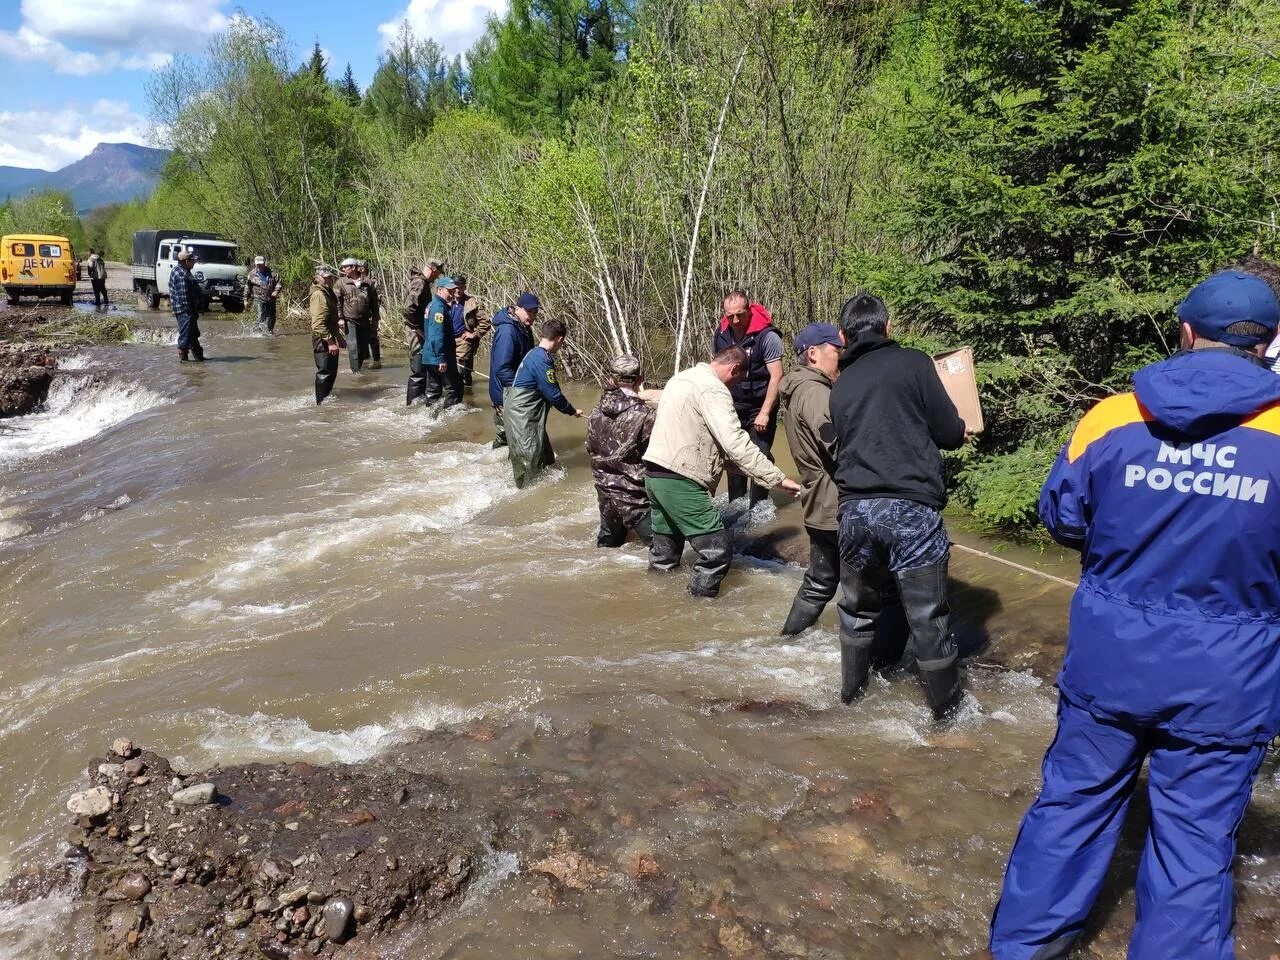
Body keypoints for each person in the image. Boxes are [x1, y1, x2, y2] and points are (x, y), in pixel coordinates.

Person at [989, 271, 1280, 960]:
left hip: (1111, 662)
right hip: (1227, 681)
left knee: (1072, 808)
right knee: (1196, 842)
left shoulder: (1113, 416)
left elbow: (1062, 516)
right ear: (1268, 346)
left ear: (1184, 333)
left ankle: (1026, 948)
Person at [828, 292, 966, 717]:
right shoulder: (914, 362)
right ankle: (947, 717)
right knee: (928, 617)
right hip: (910, 510)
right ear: (887, 328)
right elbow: (949, 432)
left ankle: (852, 698)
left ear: (842, 336)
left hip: (854, 512)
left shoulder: (841, 384)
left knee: (856, 610)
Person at [643, 346, 803, 598]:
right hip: (681, 481)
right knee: (717, 550)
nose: (733, 387)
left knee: (665, 555)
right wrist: (776, 477)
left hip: (654, 476)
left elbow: (700, 440)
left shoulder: (680, 379)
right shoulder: (713, 388)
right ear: (734, 369)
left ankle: (655, 603)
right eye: (737, 380)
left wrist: (748, 470)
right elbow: (735, 441)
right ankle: (697, 611)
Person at [777, 323, 849, 633]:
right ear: (814, 354)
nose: (840, 358)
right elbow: (836, 444)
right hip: (834, 504)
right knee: (862, 588)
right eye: (836, 351)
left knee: (820, 580)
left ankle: (787, 642)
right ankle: (871, 665)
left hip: (818, 502)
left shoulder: (798, 389)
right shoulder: (816, 392)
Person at [713, 290, 784, 512]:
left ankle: (759, 507)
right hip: (733, 404)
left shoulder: (767, 336)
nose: (735, 320)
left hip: (760, 404)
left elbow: (777, 376)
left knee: (759, 454)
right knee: (734, 455)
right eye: (730, 315)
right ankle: (736, 505)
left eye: (740, 315)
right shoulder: (722, 332)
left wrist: (765, 412)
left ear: (749, 310)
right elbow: (717, 369)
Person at [587, 354, 657, 547]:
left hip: (606, 496)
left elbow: (590, 450)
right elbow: (656, 460)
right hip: (635, 500)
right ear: (640, 379)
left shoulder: (594, 413)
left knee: (606, 552)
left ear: (611, 379)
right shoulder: (646, 416)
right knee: (665, 553)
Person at [503, 318, 582, 487]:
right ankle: (527, 502)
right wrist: (572, 411)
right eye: (562, 342)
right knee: (529, 465)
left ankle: (549, 491)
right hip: (522, 417)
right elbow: (553, 394)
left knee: (546, 458)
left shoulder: (534, 353)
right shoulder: (542, 360)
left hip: (523, 414)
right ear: (560, 339)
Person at [488, 293, 539, 448]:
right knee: (509, 438)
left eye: (535, 313)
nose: (532, 316)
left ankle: (499, 463)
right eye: (529, 312)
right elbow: (502, 368)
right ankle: (492, 467)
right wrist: (521, 390)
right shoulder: (508, 331)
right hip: (506, 394)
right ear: (517, 309)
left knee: (512, 437)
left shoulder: (523, 327)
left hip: (514, 392)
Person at [403, 257, 444, 404]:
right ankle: (412, 406)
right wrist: (416, 328)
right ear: (433, 269)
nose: (437, 276)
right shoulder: (420, 283)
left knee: (422, 368)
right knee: (418, 370)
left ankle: (418, 400)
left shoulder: (423, 283)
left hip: (419, 330)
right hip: (415, 332)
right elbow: (408, 309)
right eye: (438, 273)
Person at [422, 276, 464, 410]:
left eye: (453, 291)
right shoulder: (438, 308)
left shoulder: (433, 305)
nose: (452, 294)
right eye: (449, 291)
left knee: (433, 390)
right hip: (440, 356)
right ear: (440, 290)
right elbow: (436, 335)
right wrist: (441, 358)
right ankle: (451, 420)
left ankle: (430, 417)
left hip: (430, 355)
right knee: (455, 388)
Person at [336, 257, 381, 374]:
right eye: (343, 267)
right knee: (353, 347)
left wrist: (376, 319)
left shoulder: (367, 282)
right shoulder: (341, 282)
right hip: (349, 319)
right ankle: (355, 372)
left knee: (362, 347)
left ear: (353, 267)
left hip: (365, 320)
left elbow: (374, 302)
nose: (343, 269)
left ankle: (359, 368)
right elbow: (337, 302)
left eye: (346, 267)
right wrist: (340, 318)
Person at [309, 265, 344, 404]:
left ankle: (326, 400)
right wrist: (330, 342)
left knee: (331, 371)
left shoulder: (328, 291)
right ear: (317, 278)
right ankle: (321, 404)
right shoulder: (319, 294)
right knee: (324, 372)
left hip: (329, 335)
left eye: (329, 277)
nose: (328, 279)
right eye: (325, 277)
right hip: (321, 337)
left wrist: (338, 337)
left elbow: (332, 318)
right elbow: (317, 324)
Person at [451, 275, 492, 387]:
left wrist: (474, 334)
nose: (458, 290)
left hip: (463, 340)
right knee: (447, 372)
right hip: (447, 340)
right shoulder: (445, 301)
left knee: (464, 373)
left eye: (461, 287)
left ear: (464, 287)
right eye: (455, 287)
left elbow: (486, 322)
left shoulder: (471, 303)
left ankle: (467, 398)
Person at [169, 247, 205, 364]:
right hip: (186, 310)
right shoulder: (181, 275)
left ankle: (199, 360)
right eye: (193, 261)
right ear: (186, 261)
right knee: (186, 335)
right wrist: (191, 311)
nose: (194, 262)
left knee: (193, 335)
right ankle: (184, 361)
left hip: (186, 310)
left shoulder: (181, 270)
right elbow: (184, 297)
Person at [244, 255, 282, 334]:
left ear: (264, 263)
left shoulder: (272, 273)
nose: (259, 266)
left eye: (261, 264)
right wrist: (245, 300)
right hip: (258, 298)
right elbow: (247, 287)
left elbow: (279, 283)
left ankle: (270, 331)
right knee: (260, 315)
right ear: (255, 264)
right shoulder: (251, 274)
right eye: (258, 264)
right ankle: (257, 333)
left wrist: (276, 291)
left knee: (272, 316)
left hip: (271, 298)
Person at [357, 260, 382, 368]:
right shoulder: (356, 280)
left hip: (371, 313)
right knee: (361, 338)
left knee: (373, 337)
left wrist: (375, 316)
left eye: (361, 267)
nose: (359, 269)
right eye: (358, 267)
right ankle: (365, 358)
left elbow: (376, 298)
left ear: (365, 268)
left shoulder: (372, 280)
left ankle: (377, 361)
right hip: (361, 315)